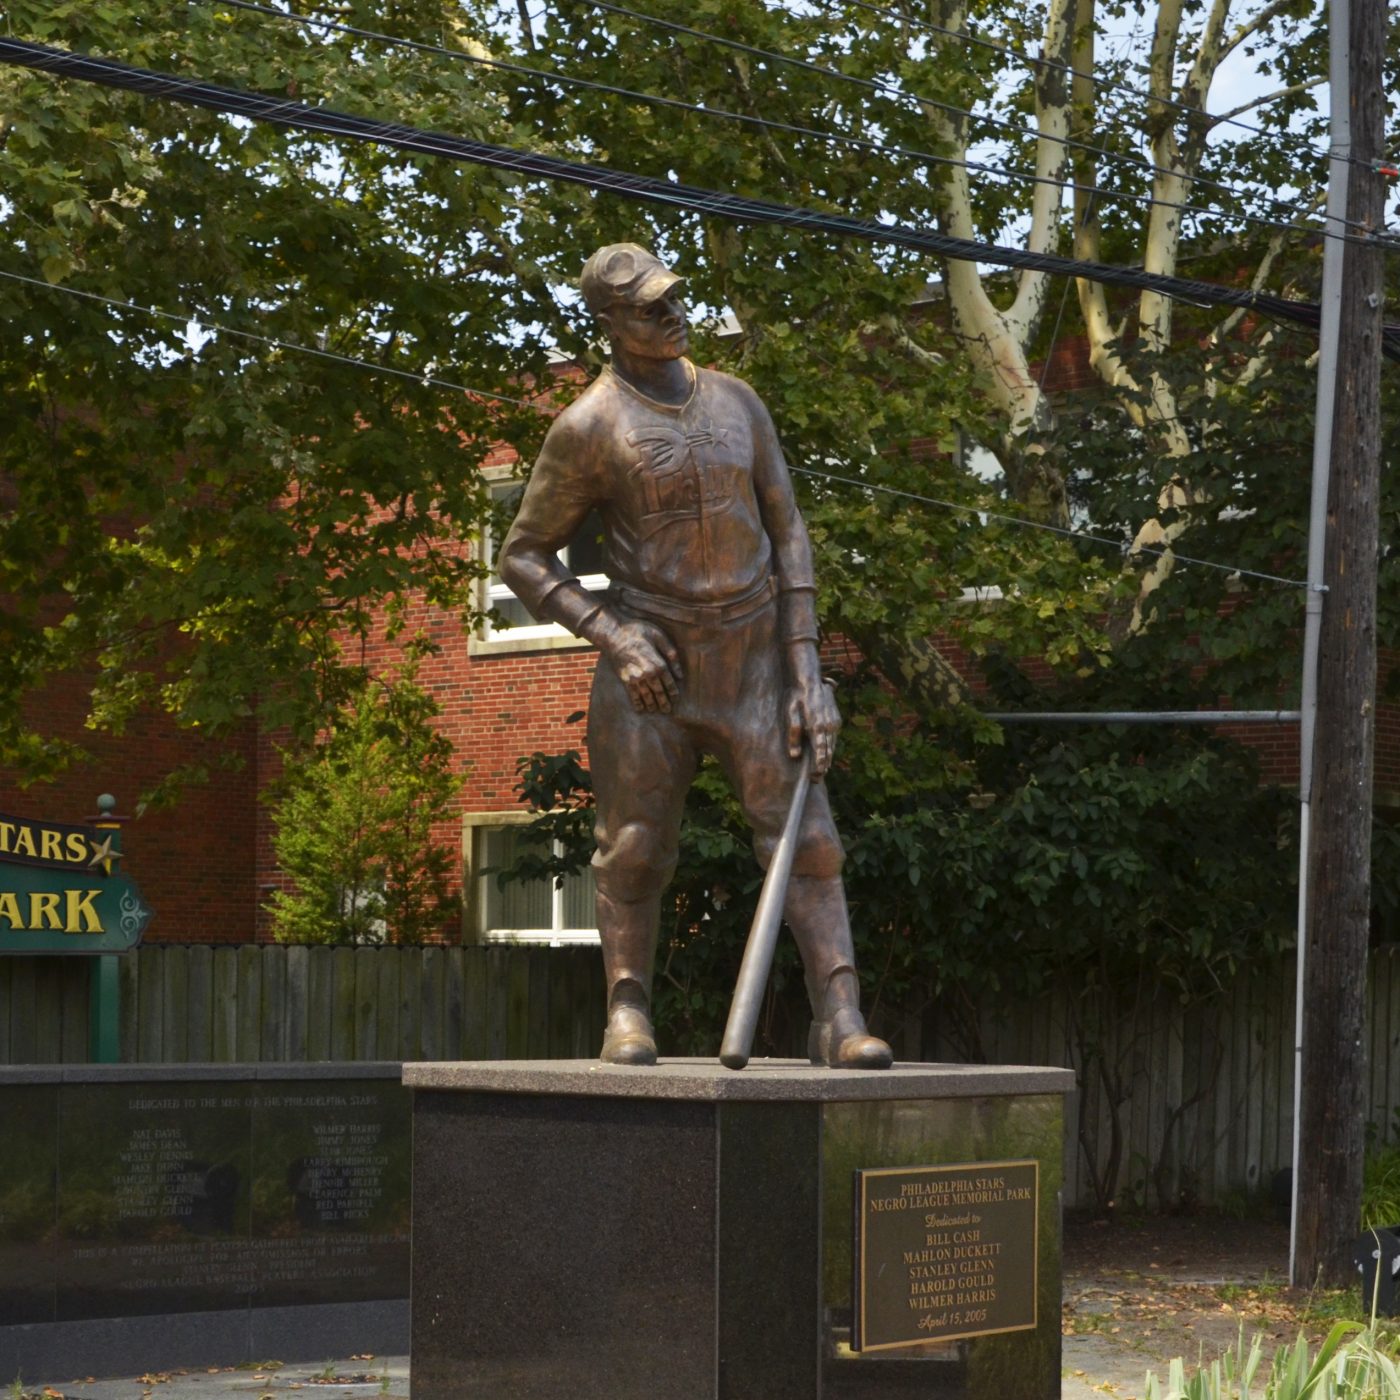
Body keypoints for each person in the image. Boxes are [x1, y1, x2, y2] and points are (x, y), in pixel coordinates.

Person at [498, 242, 891, 1070]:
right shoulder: (587, 428)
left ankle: (842, 1011)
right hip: (654, 668)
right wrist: (611, 633)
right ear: (607, 322)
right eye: (648, 307)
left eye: (675, 299)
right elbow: (524, 556)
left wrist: (807, 669)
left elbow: (788, 532)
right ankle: (628, 1009)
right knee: (635, 844)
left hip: (754, 660)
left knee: (809, 841)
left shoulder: (739, 403)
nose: (672, 315)